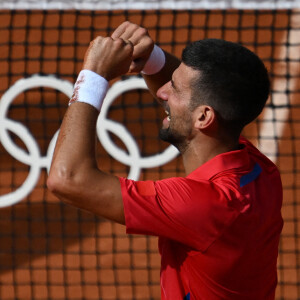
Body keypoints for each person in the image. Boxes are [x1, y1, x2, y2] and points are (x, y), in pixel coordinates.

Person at [47, 21, 283, 300]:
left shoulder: (204, 206)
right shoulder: (258, 170)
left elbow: (68, 179)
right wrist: (152, 59)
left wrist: (93, 76)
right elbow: (195, 105)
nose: (162, 93)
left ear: (204, 117)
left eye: (175, 89)